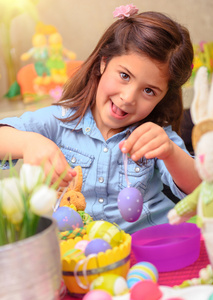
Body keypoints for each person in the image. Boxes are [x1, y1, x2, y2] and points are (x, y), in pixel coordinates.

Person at [0, 5, 201, 234]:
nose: (127, 98)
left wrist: (170, 153)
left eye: (149, 91)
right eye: (124, 76)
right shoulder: (61, 120)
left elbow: (202, 189)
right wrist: (28, 143)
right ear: (104, 62)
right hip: (81, 255)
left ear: (163, 96)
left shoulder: (156, 137)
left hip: (150, 244)